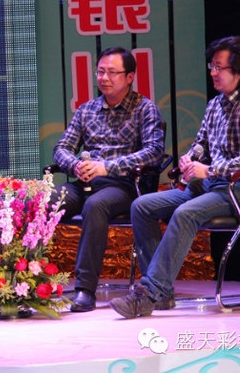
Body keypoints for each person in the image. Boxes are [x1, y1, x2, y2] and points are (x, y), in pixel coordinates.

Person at [110, 35, 240, 319]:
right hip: (212, 187)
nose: (212, 72)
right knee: (142, 206)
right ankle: (162, 293)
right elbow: (202, 143)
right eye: (211, 66)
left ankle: (149, 294)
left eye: (219, 67)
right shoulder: (216, 105)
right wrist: (191, 158)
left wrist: (211, 170)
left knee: (186, 213)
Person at [52, 46, 165, 312]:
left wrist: (107, 167)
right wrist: (76, 165)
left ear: (129, 77)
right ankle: (26, 281)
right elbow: (61, 148)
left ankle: (84, 289)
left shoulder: (145, 109)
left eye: (112, 72)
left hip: (123, 185)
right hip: (85, 182)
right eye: (100, 72)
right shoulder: (87, 110)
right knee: (47, 200)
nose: (104, 78)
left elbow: (154, 152)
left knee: (96, 205)